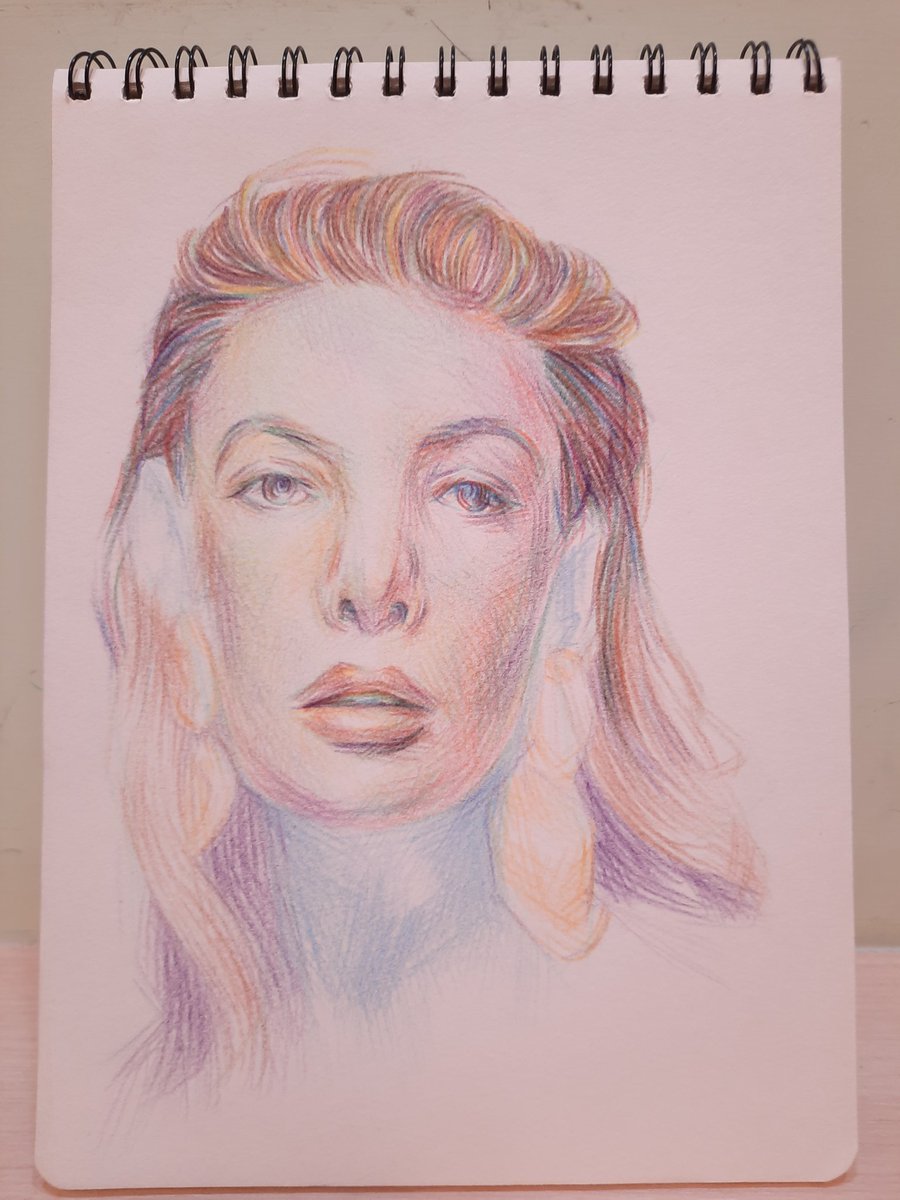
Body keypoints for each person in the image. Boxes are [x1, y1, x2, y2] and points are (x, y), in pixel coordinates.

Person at [98, 158, 763, 1096]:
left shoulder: (710, 1033)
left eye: (471, 492)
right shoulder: (115, 1062)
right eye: (280, 484)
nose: (372, 585)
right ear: (170, 552)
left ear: (572, 580)